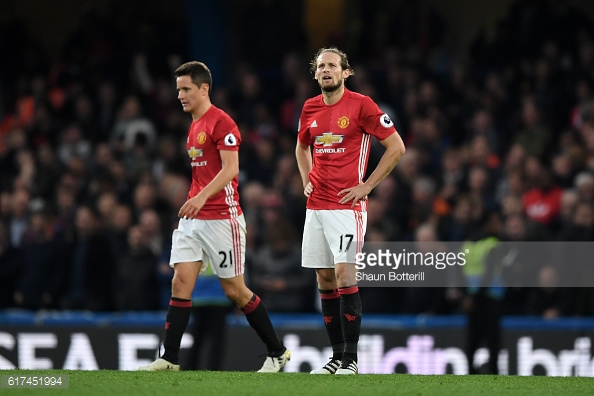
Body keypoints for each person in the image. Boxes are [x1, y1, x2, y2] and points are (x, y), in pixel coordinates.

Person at [138, 61, 289, 372]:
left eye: (186, 89)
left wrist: (202, 196)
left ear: (204, 88)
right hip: (195, 218)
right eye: (178, 89)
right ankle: (169, 358)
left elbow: (231, 170)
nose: (179, 95)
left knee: (235, 290)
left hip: (223, 217)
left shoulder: (221, 123)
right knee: (181, 282)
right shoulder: (193, 126)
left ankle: (277, 352)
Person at [295, 47, 406, 375]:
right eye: (320, 66)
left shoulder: (362, 105)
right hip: (315, 205)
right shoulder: (309, 107)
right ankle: (335, 357)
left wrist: (366, 186)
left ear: (346, 72)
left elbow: (396, 146)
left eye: (332, 65)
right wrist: (306, 178)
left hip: (347, 206)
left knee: (345, 275)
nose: (326, 70)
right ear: (315, 74)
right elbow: (301, 146)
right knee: (324, 278)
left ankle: (351, 360)